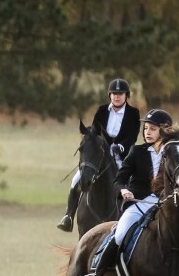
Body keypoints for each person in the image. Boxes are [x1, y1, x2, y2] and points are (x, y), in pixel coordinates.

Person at [75, 109, 174, 276]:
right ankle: (94, 275)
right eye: (146, 128)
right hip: (138, 204)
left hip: (165, 204)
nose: (147, 132)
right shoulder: (136, 152)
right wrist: (123, 189)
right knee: (119, 234)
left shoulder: (174, 153)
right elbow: (119, 178)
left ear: (165, 130)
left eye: (152, 128)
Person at [57, 78, 141, 232]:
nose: (117, 96)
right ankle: (68, 216)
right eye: (114, 93)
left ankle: (136, 219)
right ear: (110, 95)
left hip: (122, 158)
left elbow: (132, 136)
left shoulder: (133, 113)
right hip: (100, 154)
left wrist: (120, 147)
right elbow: (95, 130)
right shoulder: (102, 110)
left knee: (131, 184)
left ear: (126, 95)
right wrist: (93, 140)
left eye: (120, 93)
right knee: (76, 180)